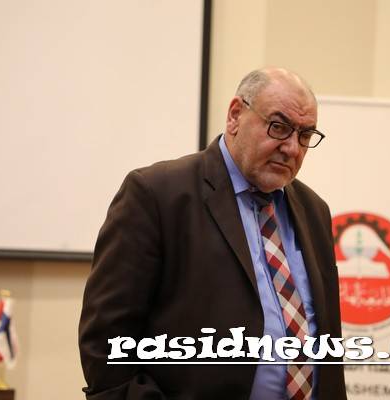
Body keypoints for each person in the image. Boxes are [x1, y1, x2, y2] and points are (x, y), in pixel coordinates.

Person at [79, 67, 346, 400]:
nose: (292, 148)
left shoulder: (314, 210)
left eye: (305, 135)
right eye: (278, 127)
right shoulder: (157, 194)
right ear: (235, 115)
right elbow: (106, 342)